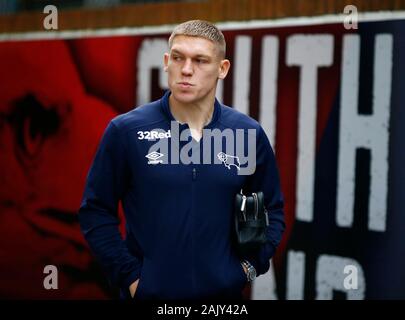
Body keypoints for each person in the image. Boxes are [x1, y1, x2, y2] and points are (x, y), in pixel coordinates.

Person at [78, 20, 285, 300]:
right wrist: (131, 277)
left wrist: (248, 267)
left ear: (222, 69)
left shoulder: (247, 134)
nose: (186, 70)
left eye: (200, 60)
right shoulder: (126, 131)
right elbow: (96, 210)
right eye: (178, 58)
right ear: (166, 62)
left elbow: (270, 208)